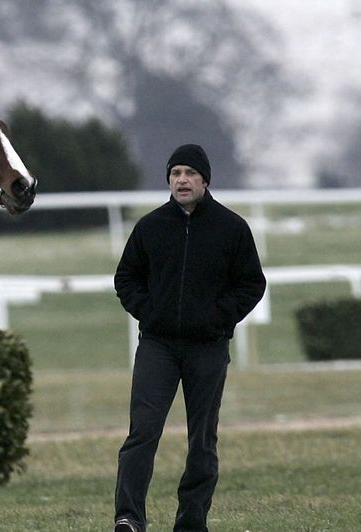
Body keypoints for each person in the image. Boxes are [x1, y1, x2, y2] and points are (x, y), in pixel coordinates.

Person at [113, 144, 267, 532]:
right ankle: (129, 517)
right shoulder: (149, 227)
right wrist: (150, 312)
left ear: (204, 179)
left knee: (202, 439)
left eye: (190, 173)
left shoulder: (232, 228)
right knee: (143, 433)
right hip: (157, 346)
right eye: (175, 173)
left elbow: (252, 284)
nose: (182, 179)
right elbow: (125, 279)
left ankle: (192, 521)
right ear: (168, 179)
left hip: (208, 348)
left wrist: (218, 318)